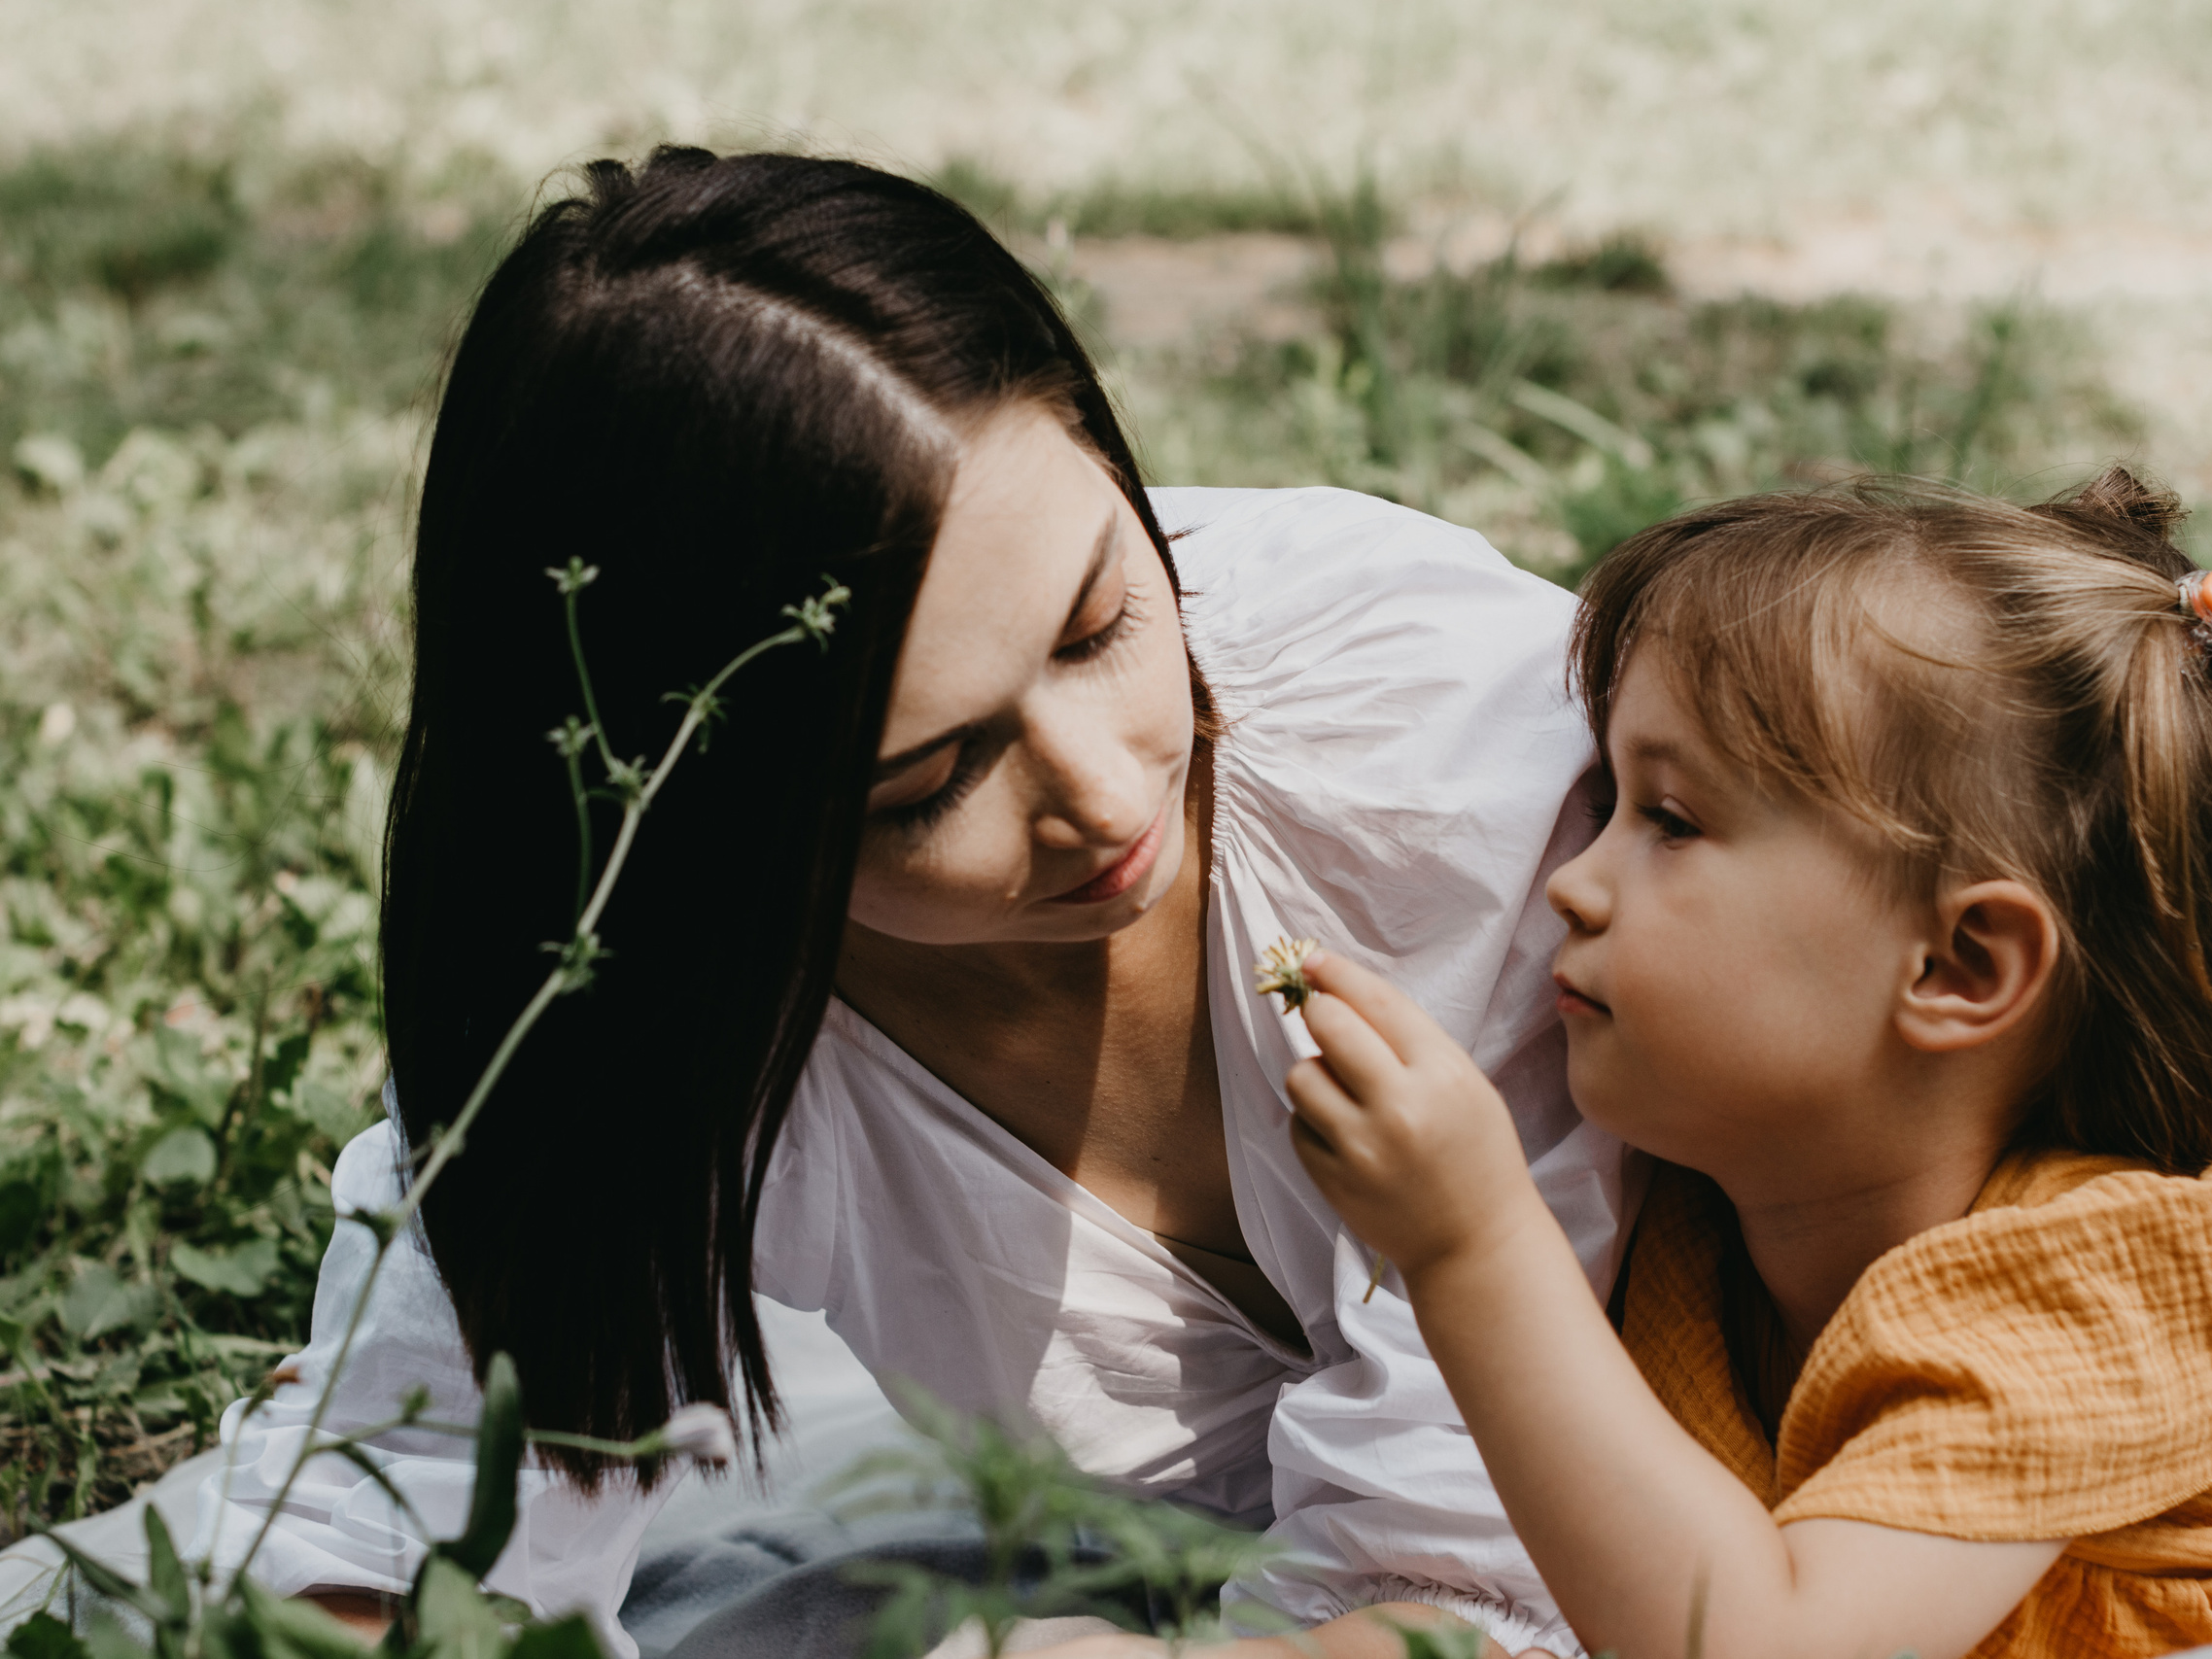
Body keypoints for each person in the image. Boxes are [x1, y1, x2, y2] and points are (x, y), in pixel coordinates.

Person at [192, 149, 1626, 1658]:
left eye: (1100, 622)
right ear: (687, 832)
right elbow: (397, 1515)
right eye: (928, 781)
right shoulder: (633, 1001)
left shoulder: (1443, 752)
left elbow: (1509, 1574)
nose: (1104, 794)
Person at [1277, 471, 2212, 1659]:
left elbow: (1757, 1646)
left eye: (1671, 821)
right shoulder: (1696, 1229)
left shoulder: (2132, 1272)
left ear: (1959, 966)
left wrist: (1472, 1243)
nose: (1572, 884)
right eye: (1608, 809)